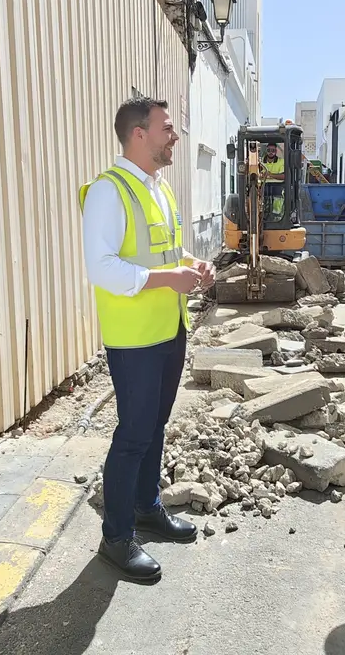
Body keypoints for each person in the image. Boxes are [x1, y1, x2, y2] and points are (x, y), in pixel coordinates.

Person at [79, 96, 215, 583]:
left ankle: (146, 507)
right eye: (167, 128)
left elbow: (164, 246)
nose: (174, 135)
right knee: (133, 435)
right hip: (135, 338)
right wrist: (167, 279)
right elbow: (103, 268)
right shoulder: (107, 192)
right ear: (139, 134)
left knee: (154, 427)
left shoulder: (158, 187)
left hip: (168, 329)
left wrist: (191, 263)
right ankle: (115, 538)